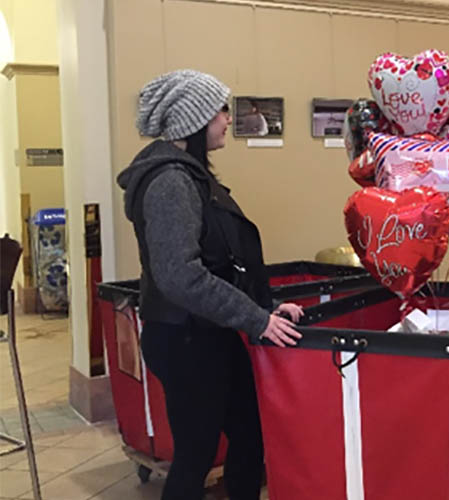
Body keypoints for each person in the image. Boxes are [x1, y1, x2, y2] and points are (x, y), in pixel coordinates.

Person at [117, 69, 302, 500]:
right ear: (193, 120)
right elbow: (181, 276)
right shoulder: (171, 182)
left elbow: (221, 262)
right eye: (219, 109)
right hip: (185, 340)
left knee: (248, 435)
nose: (226, 119)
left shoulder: (190, 175)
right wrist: (255, 318)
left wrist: (264, 308)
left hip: (206, 334)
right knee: (196, 456)